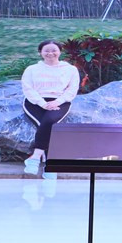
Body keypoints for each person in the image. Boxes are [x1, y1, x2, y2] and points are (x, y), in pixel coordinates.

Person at [21, 39, 80, 178]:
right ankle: (50, 164)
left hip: (60, 102)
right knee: (46, 125)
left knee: (49, 122)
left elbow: (72, 90)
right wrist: (43, 103)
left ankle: (35, 157)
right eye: (46, 50)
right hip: (35, 102)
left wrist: (57, 102)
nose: (50, 53)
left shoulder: (70, 69)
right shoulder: (32, 69)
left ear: (60, 52)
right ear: (40, 52)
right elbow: (28, 89)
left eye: (54, 50)